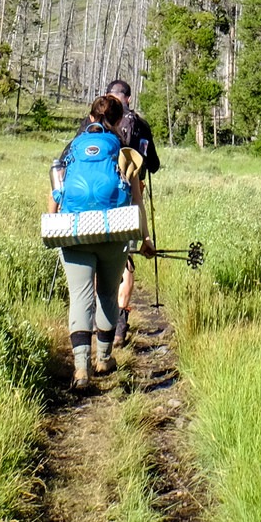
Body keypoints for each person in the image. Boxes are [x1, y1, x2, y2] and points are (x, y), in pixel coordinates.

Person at [49, 93, 143, 391]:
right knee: (107, 294)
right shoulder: (124, 153)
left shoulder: (72, 149)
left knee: (80, 297)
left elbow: (56, 192)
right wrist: (144, 238)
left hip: (74, 231)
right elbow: (136, 199)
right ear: (119, 120)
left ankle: (81, 368)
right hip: (113, 231)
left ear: (91, 117)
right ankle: (103, 358)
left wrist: (53, 224)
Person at [105, 78, 158, 346]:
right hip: (131, 196)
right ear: (128, 98)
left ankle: (101, 319)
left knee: (102, 254)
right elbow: (154, 164)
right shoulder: (140, 124)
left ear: (108, 96)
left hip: (101, 199)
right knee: (126, 256)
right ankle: (120, 324)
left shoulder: (97, 120)